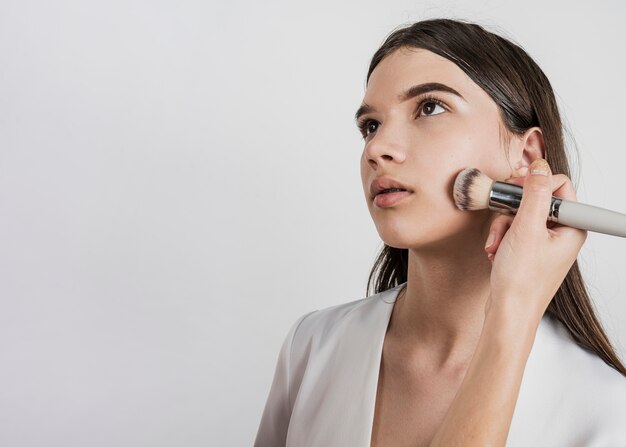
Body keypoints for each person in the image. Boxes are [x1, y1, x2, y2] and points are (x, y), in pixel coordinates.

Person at [254, 18, 626, 446]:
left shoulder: (605, 410)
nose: (376, 149)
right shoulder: (313, 346)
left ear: (527, 155)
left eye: (429, 107)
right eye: (370, 125)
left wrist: (513, 311)